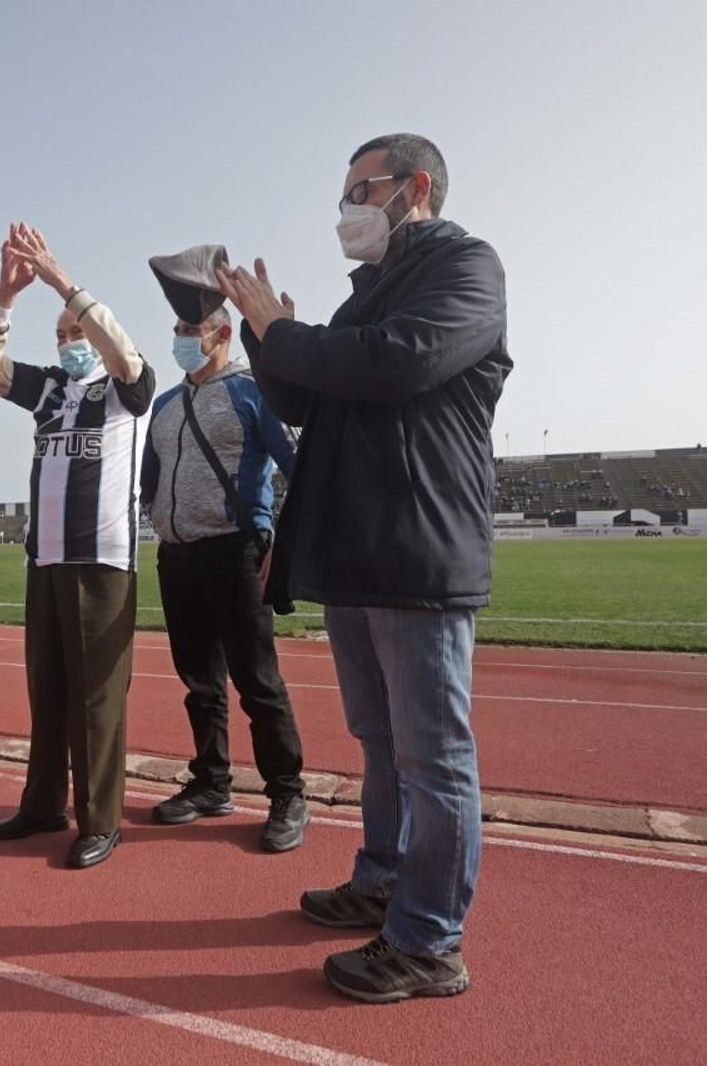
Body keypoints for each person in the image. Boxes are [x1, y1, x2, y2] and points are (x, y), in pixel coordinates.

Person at [217, 133, 511, 1003]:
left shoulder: (467, 268)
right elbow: (306, 397)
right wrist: (262, 335)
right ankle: (381, 881)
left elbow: (396, 364)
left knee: (433, 754)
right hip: (358, 549)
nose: (347, 208)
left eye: (360, 189)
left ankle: (427, 941)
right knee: (382, 744)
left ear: (414, 187)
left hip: (419, 545)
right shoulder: (366, 294)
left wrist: (287, 332)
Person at [0, 223, 155, 870]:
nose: (70, 342)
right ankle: (44, 802)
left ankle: (100, 820)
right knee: (46, 690)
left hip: (101, 564)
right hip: (44, 560)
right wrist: (5, 298)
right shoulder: (49, 390)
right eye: (61, 337)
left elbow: (120, 349)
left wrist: (61, 282)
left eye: (77, 335)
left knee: (95, 696)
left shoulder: (128, 390)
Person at [140, 244, 309, 852]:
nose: (184, 338)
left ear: (223, 333)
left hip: (235, 553)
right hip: (177, 557)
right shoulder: (162, 405)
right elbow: (151, 481)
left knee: (257, 682)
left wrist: (279, 541)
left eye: (194, 329)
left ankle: (287, 792)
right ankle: (211, 782)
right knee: (200, 683)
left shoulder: (252, 392)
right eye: (178, 329)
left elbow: (300, 465)